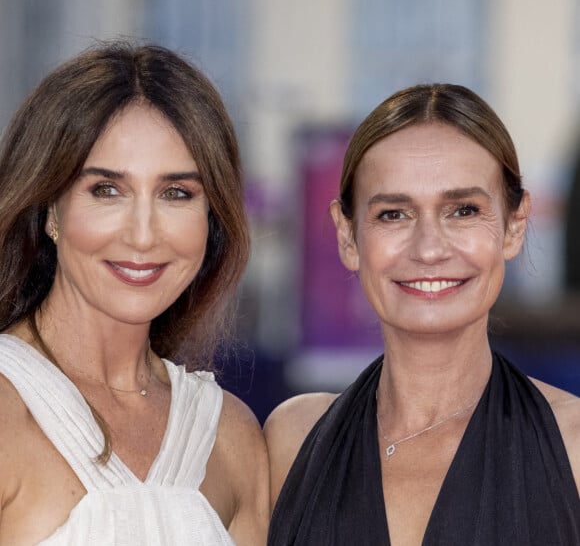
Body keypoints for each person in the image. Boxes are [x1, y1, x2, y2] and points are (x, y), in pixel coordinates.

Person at [265, 83, 580, 545]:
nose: (429, 248)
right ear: (348, 237)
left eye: (463, 210)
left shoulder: (573, 445)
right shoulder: (290, 439)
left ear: (514, 226)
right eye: (394, 214)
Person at [0, 42, 269, 545]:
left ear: (211, 220)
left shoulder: (231, 438)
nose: (143, 235)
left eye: (176, 194)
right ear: (50, 209)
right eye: (106, 190)